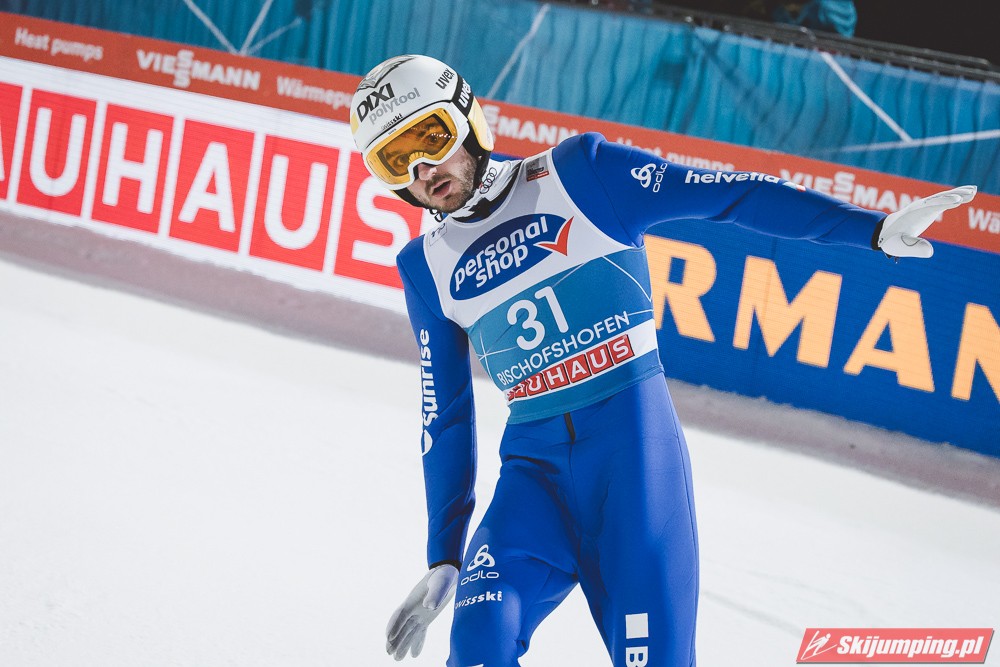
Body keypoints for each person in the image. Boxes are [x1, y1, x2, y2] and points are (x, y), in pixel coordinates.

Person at [349, 54, 976, 667]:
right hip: (532, 481)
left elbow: (734, 196)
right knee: (479, 640)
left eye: (430, 138)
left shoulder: (580, 173)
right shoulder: (424, 266)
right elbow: (444, 416)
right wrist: (444, 555)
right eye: (395, 161)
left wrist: (870, 230)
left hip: (635, 470)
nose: (423, 170)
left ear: (469, 120)